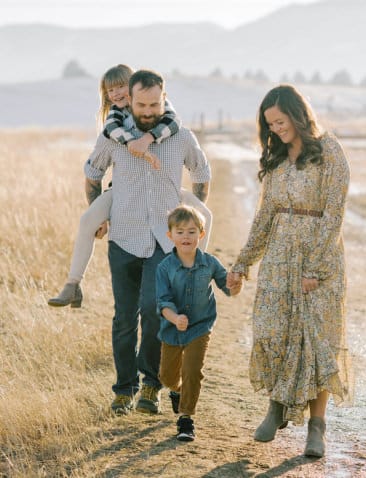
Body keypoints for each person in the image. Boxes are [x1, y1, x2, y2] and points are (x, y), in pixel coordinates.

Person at [227, 84, 353, 458]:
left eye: (280, 122)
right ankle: (277, 407)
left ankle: (317, 428)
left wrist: (315, 266)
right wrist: (243, 262)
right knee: (273, 330)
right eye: (270, 125)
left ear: (298, 115)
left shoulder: (330, 151)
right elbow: (265, 216)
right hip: (279, 257)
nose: (276, 129)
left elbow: (335, 213)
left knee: (318, 343)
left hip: (321, 258)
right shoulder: (277, 157)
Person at [83, 68, 211, 416]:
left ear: (163, 98)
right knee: (124, 318)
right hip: (123, 237)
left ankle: (151, 386)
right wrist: (97, 216)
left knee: (155, 313)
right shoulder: (114, 136)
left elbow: (202, 172)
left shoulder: (181, 136)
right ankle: (124, 390)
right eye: (142, 104)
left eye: (155, 103)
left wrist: (195, 220)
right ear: (131, 99)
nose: (149, 110)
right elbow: (92, 173)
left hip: (163, 242)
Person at [48, 64, 212, 308]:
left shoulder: (163, 112)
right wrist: (102, 218)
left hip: (165, 188)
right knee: (87, 221)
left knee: (205, 216)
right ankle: (73, 283)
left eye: (121, 87)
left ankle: (195, 273)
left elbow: (174, 122)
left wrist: (147, 139)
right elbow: (109, 145)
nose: (116, 94)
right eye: (109, 90)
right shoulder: (114, 119)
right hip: (123, 191)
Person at [156, 205, 241, 441]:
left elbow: (228, 288)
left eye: (192, 232)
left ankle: (186, 419)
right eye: (180, 232)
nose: (186, 237)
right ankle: (177, 390)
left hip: (200, 327)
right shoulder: (164, 267)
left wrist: (236, 283)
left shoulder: (210, 263)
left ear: (201, 235)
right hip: (172, 328)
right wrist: (175, 318)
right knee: (168, 377)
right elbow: (162, 301)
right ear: (170, 235)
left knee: (193, 370)